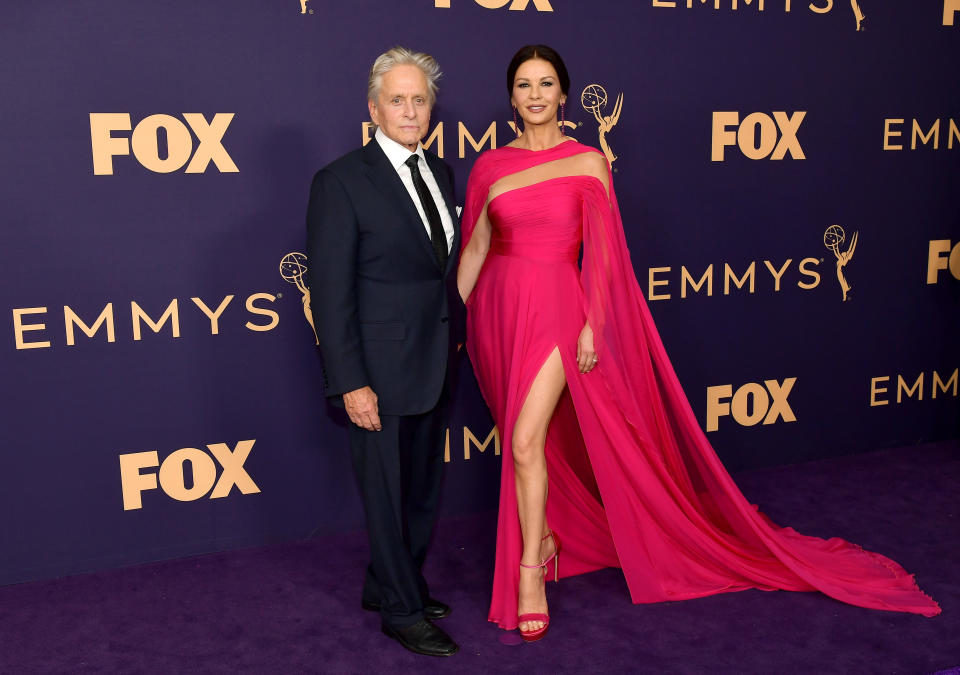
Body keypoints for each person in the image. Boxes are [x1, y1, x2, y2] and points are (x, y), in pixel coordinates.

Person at [456, 44, 940, 641]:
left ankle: (530, 570)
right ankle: (548, 536)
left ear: (563, 94)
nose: (535, 95)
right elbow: (476, 249)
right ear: (511, 97)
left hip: (558, 309)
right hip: (498, 313)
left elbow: (606, 257)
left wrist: (594, 323)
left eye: (546, 83)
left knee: (526, 442)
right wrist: (454, 324)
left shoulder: (587, 162)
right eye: (524, 84)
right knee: (534, 444)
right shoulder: (488, 167)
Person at [306, 46, 465, 657]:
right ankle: (401, 611)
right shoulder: (341, 181)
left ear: (431, 110)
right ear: (373, 109)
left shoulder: (442, 172)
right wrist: (350, 381)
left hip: (433, 360)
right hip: (375, 371)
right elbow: (330, 291)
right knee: (386, 493)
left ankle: (390, 583)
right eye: (396, 100)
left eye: (418, 100)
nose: (408, 110)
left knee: (423, 489)